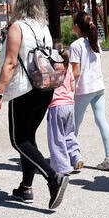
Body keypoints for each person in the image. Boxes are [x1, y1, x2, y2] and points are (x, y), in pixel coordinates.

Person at [0, 0, 70, 210]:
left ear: (19, 5)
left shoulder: (17, 28)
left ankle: (54, 178)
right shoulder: (44, 28)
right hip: (45, 88)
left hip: (23, 90)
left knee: (18, 140)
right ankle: (26, 187)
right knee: (29, 137)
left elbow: (11, 62)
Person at [69, 11, 109, 171]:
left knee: (73, 124)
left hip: (83, 89)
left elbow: (75, 72)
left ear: (76, 27)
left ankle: (72, 157)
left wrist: (64, 79)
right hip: (98, 87)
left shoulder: (75, 46)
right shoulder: (94, 42)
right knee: (101, 120)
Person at [46, 48, 82, 176]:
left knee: (57, 138)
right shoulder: (68, 71)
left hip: (56, 106)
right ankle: (76, 156)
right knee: (69, 133)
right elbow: (72, 87)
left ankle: (62, 166)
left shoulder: (52, 72)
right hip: (69, 105)